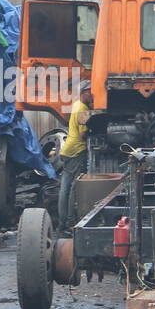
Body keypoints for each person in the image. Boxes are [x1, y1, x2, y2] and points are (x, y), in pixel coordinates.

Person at [57, 80, 93, 231]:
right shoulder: (83, 109)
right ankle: (70, 222)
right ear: (84, 92)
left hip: (67, 150)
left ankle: (62, 222)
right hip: (77, 150)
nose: (92, 95)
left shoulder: (77, 105)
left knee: (65, 187)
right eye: (90, 92)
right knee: (74, 187)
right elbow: (83, 133)